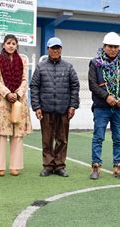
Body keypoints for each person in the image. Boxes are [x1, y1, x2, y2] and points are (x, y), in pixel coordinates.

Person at [30, 37, 80, 177]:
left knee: (62, 139)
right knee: (47, 139)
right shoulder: (40, 67)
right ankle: (47, 165)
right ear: (48, 49)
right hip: (45, 109)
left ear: (61, 49)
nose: (55, 50)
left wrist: (73, 105)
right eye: (53, 48)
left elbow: (75, 86)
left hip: (64, 109)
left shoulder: (68, 67)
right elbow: (34, 86)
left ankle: (59, 166)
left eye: (58, 48)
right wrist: (36, 107)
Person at [88, 32, 120, 180]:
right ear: (104, 46)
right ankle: (96, 167)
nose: (113, 49)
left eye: (115, 46)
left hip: (119, 108)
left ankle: (118, 167)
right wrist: (106, 97)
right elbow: (93, 85)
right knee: (98, 137)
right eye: (110, 46)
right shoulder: (95, 63)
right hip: (101, 107)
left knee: (118, 138)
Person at [0, 34, 32, 177]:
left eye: (14, 43)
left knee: (17, 134)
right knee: (2, 134)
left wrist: (18, 94)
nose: (11, 45)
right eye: (8, 43)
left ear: (16, 46)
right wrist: (7, 93)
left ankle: (15, 166)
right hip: (2, 101)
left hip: (19, 101)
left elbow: (25, 79)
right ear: (3, 45)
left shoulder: (23, 60)